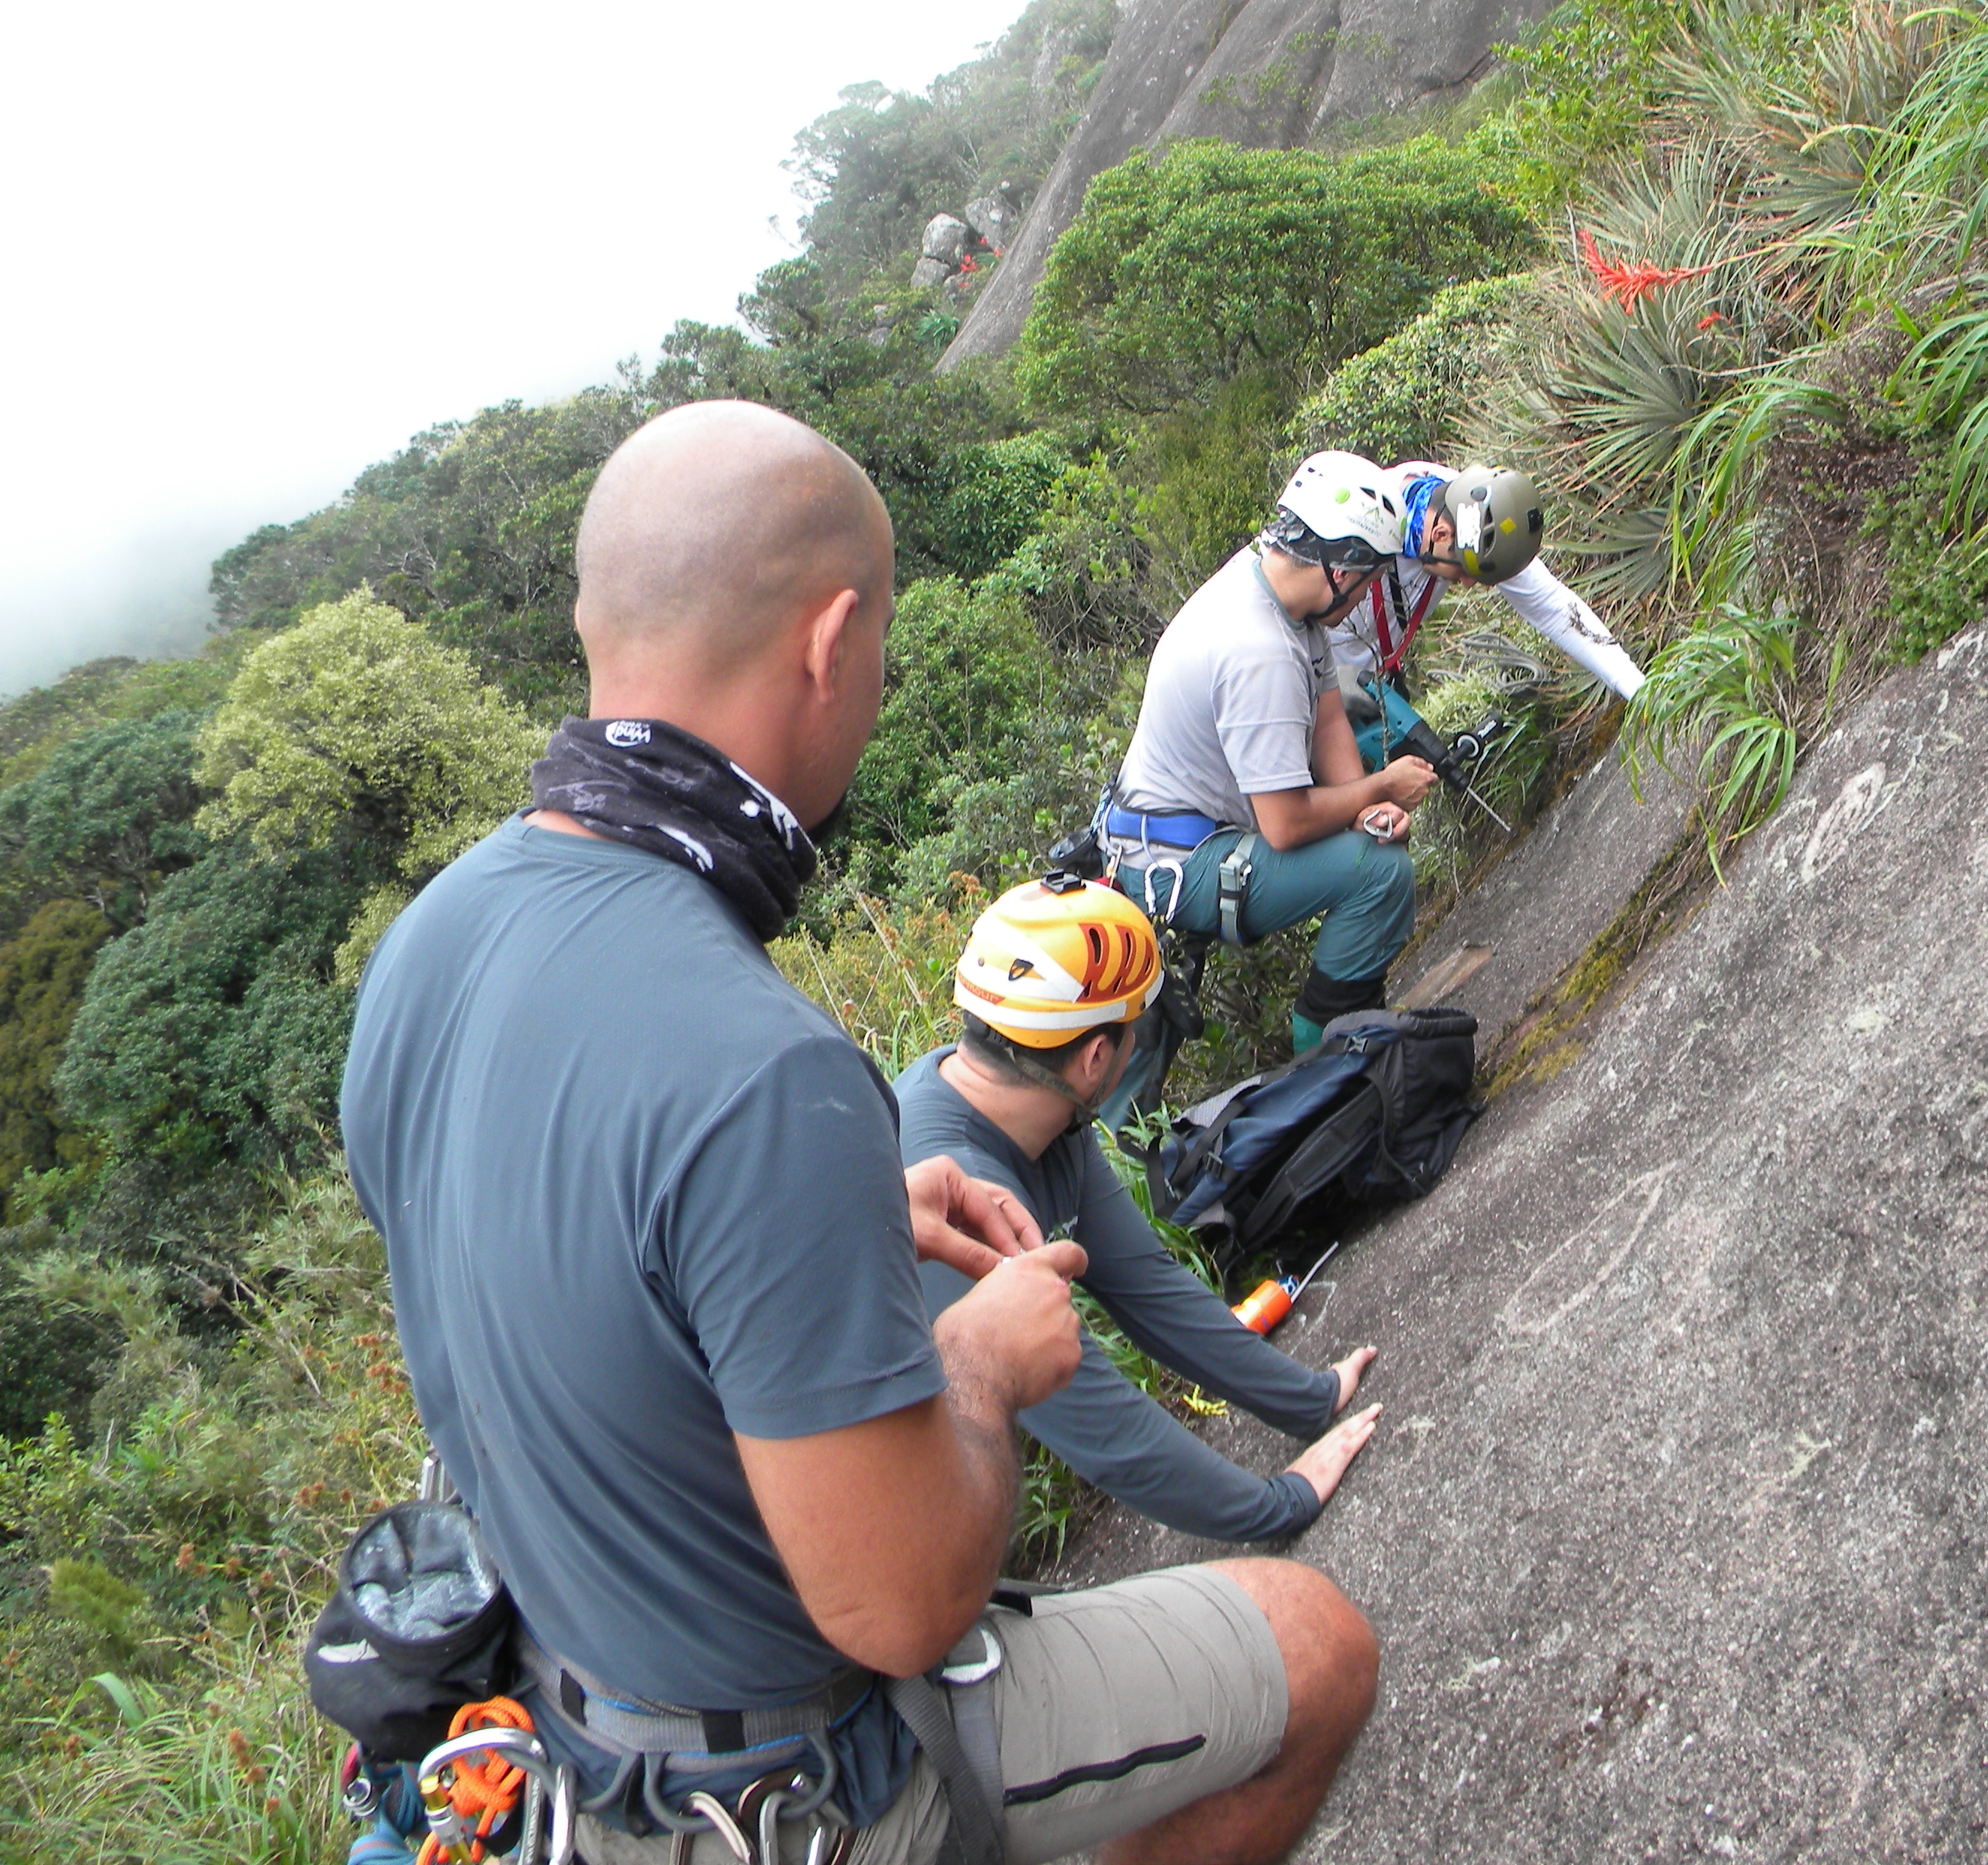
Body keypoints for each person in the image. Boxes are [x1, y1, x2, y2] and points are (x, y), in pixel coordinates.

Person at [339, 399, 1378, 1865]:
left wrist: (824, 1233)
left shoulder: (424, 947)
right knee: (1315, 1646)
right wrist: (985, 1359)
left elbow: (553, 1272)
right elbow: (900, 1607)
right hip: (772, 1773)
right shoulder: (771, 1068)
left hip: (549, 1718)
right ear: (831, 645)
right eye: (881, 648)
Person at [898, 875, 1381, 1541]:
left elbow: (1148, 1288)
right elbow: (1100, 1424)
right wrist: (1282, 1504)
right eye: (1136, 1026)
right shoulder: (953, 1200)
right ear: (1097, 1058)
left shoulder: (1039, 1107)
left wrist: (1311, 1399)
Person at [1101, 452, 1437, 1074]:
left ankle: (1345, 1039)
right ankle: (1326, 1056)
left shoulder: (1274, 586)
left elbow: (1329, 717)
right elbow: (1285, 825)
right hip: (1176, 861)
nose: (1364, 596)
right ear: (1343, 568)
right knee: (1380, 872)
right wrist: (1383, 787)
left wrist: (1366, 806)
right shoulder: (1259, 650)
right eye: (1368, 578)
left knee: (1374, 840)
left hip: (1167, 832)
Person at [1328, 462, 1646, 776]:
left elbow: (1553, 607)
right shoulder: (1353, 528)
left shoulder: (1474, 513)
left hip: (1376, 685)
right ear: (1440, 534)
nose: (1468, 584)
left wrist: (1641, 692)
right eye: (1464, 571)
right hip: (1317, 685)